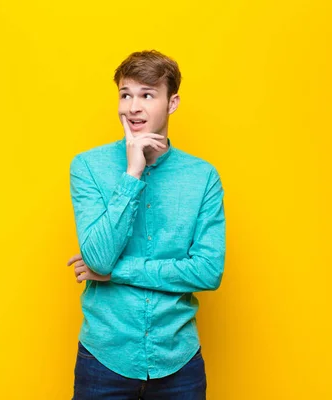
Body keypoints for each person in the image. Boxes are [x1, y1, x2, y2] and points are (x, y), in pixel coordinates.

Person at [66, 50, 226, 400]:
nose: (133, 107)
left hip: (178, 359)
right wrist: (132, 173)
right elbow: (99, 259)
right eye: (126, 95)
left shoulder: (203, 177)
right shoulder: (88, 167)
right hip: (104, 357)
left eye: (147, 95)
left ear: (172, 103)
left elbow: (208, 272)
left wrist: (118, 272)